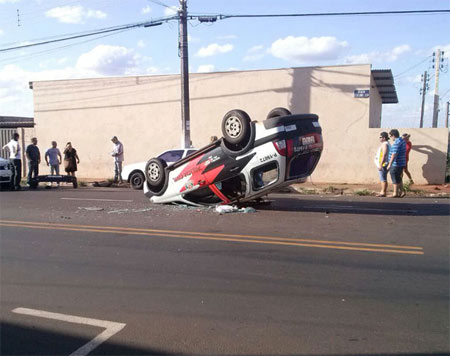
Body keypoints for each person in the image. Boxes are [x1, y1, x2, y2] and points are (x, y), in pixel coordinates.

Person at [386, 129, 407, 198]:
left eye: (391, 136)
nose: (391, 138)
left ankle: (395, 193)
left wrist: (390, 164)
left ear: (393, 135)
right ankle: (401, 191)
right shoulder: (402, 141)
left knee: (394, 177)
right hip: (401, 162)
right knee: (398, 178)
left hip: (396, 163)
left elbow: (394, 154)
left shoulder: (397, 142)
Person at [374, 131, 390, 197]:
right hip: (383, 163)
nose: (379, 138)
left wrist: (381, 164)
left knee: (383, 178)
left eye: (380, 137)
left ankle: (383, 192)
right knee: (383, 178)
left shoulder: (385, 144)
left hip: (383, 164)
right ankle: (383, 191)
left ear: (384, 138)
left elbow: (384, 154)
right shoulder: (386, 143)